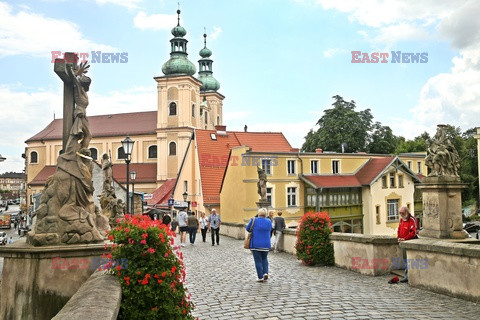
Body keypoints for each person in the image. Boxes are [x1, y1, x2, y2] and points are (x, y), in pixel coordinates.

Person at [246, 208, 272, 282]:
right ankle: (265, 273)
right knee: (264, 259)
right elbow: (270, 229)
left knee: (258, 261)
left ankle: (260, 277)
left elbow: (248, 228)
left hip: (256, 244)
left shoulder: (254, 220)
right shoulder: (269, 221)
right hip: (266, 244)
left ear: (258, 213)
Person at [396, 206, 417, 283]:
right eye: (400, 213)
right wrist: (399, 237)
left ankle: (408, 276)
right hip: (402, 242)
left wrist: (405, 238)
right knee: (405, 260)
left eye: (402, 213)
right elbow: (399, 229)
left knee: (409, 260)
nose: (401, 214)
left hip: (409, 242)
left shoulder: (412, 219)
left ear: (406, 212)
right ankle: (406, 275)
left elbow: (413, 232)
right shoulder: (401, 220)